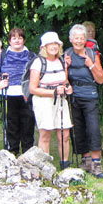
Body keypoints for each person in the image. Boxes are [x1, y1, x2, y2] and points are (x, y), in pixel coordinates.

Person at [65, 24, 103, 178]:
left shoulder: (92, 54)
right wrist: (65, 66)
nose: (78, 41)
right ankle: (85, 159)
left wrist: (91, 65)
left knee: (93, 128)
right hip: (74, 96)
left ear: (85, 40)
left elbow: (101, 79)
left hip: (90, 96)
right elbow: (63, 80)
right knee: (78, 129)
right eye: (75, 38)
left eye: (81, 38)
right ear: (70, 39)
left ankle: (96, 163)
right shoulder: (66, 54)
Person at [29, 31, 73, 169]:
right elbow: (32, 89)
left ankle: (64, 163)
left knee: (65, 134)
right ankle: (44, 166)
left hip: (61, 100)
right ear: (44, 47)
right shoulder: (38, 63)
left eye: (56, 43)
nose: (53, 46)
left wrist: (68, 87)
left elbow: (64, 80)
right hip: (43, 102)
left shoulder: (61, 61)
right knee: (45, 134)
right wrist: (52, 92)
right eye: (50, 44)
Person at [0, 28, 36, 155]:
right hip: (8, 93)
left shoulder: (31, 55)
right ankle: (12, 150)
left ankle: (27, 150)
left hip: (26, 93)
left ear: (24, 40)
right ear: (9, 41)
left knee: (28, 122)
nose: (17, 40)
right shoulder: (1, 56)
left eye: (20, 38)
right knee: (11, 122)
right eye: (14, 38)